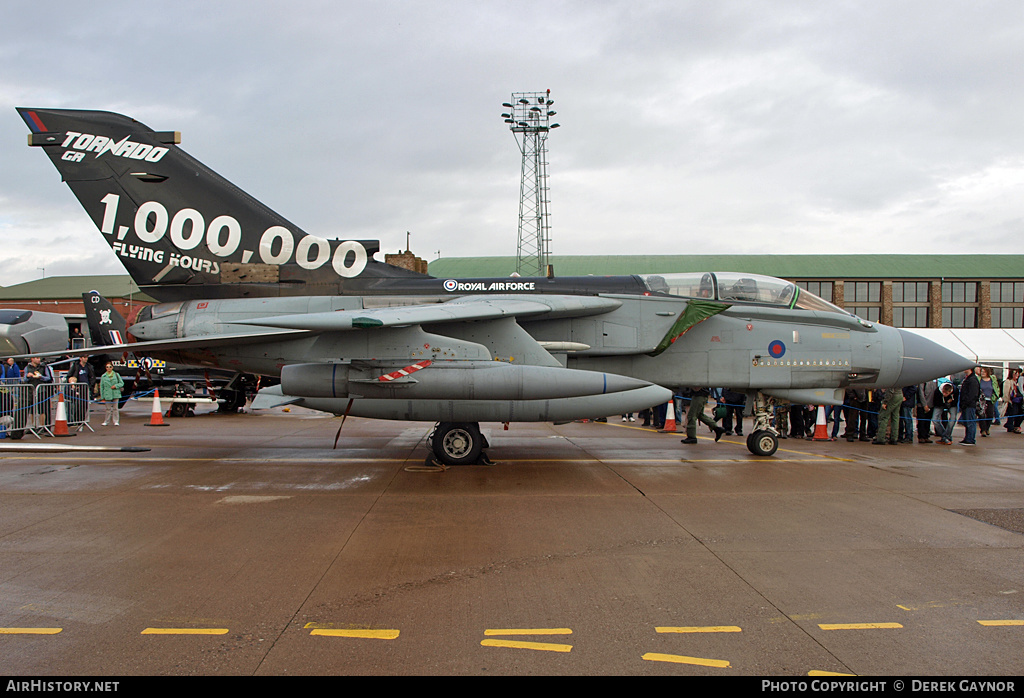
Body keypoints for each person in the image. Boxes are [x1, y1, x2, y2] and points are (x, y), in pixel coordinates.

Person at [958, 367, 980, 445]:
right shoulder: (968, 379)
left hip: (969, 405)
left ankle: (970, 439)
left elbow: (972, 394)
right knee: (967, 422)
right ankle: (967, 438)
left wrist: (966, 403)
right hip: (966, 404)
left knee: (970, 422)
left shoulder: (973, 380)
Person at [976, 367, 999, 437]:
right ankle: (983, 430)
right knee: (981, 415)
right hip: (981, 400)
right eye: (982, 371)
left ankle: (987, 428)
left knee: (990, 415)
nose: (982, 373)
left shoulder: (992, 379)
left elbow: (996, 388)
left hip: (990, 399)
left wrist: (995, 396)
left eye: (984, 372)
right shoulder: (979, 379)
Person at [935, 381, 959, 445]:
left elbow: (956, 401)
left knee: (953, 419)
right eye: (943, 392)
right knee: (934, 419)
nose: (944, 394)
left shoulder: (956, 390)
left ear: (951, 391)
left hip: (952, 405)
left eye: (946, 393)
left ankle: (946, 436)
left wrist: (950, 402)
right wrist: (945, 403)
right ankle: (945, 436)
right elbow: (936, 402)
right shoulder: (938, 391)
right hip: (940, 404)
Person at [1003, 367, 1023, 433]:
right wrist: (1007, 400)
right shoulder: (1008, 382)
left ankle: (1012, 425)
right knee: (1012, 413)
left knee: (1016, 413)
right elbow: (1006, 392)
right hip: (1011, 401)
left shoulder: (1017, 382)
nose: (1017, 375)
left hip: (1018, 401)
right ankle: (1010, 426)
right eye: (1015, 374)